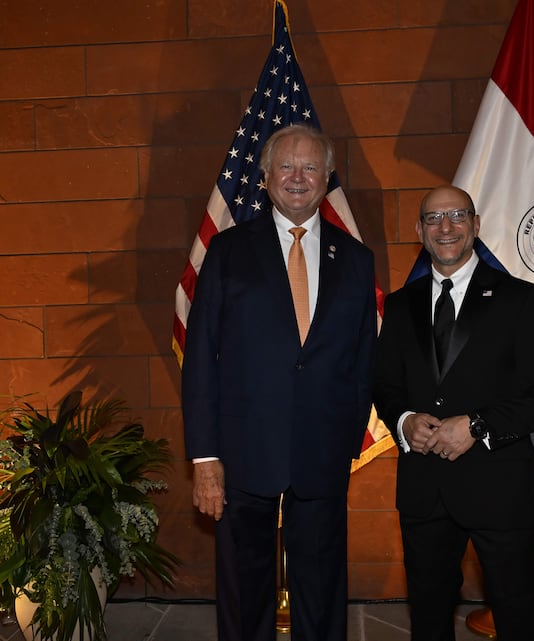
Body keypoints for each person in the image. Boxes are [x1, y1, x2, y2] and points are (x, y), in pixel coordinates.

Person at [182, 124, 377, 641]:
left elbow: (362, 362)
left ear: (327, 177)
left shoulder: (356, 260)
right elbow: (200, 356)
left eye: (310, 167)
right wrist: (205, 459)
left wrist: (347, 439)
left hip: (322, 455)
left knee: (322, 594)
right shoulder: (226, 252)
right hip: (242, 453)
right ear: (265, 177)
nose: (298, 177)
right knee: (245, 597)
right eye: (286, 166)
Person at [373, 185, 534, 641]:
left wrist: (478, 426)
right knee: (427, 616)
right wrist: (404, 421)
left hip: (502, 488)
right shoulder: (401, 306)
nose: (446, 227)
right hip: (424, 488)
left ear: (476, 225)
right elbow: (384, 385)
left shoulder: (521, 299)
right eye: (434, 218)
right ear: (420, 230)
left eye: (457, 215)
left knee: (519, 613)